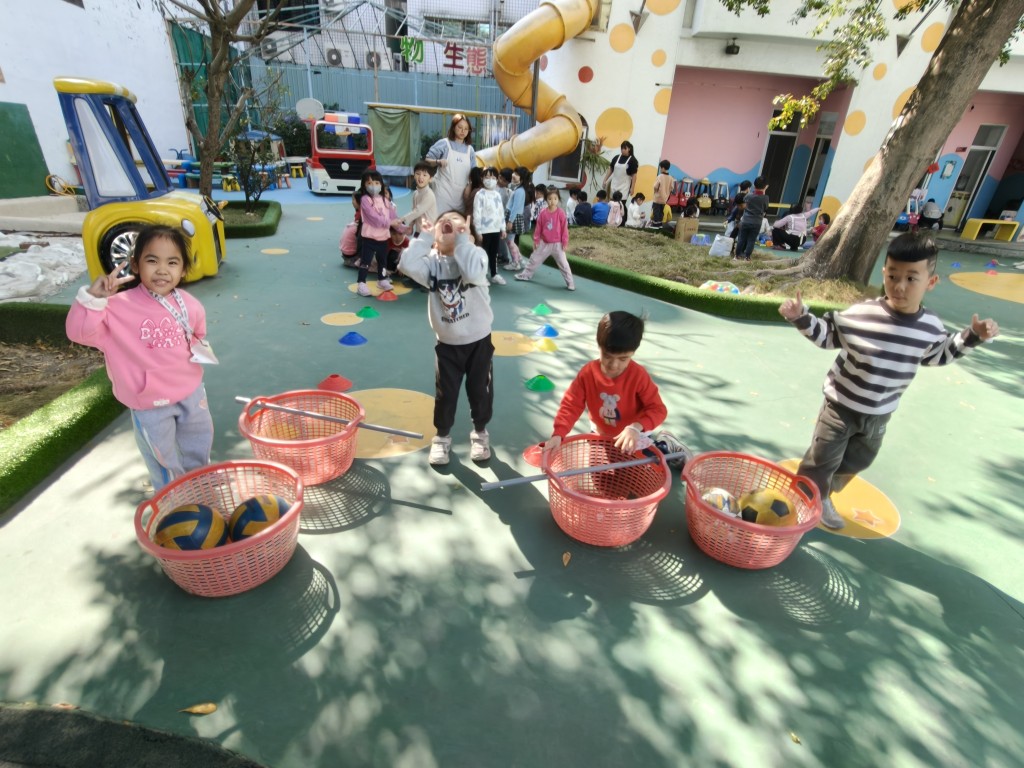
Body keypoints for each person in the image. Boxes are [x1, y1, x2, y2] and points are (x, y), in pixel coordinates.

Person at [778, 231, 1000, 529]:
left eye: (911, 278)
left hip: (880, 411)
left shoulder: (930, 327)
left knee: (860, 460)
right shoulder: (862, 314)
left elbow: (939, 354)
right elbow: (828, 335)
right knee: (823, 459)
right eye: (893, 275)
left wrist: (973, 336)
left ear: (930, 282)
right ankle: (805, 501)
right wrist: (801, 317)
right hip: (840, 405)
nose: (899, 285)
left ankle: (823, 491)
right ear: (884, 273)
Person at [65, 224, 215, 492]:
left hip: (191, 393)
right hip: (149, 402)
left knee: (199, 444)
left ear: (183, 269)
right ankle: (171, 499)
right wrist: (93, 299)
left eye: (172, 262)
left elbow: (197, 335)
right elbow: (79, 333)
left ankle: (202, 488)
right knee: (162, 458)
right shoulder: (116, 307)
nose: (162, 270)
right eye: (152, 260)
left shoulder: (191, 305)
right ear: (135, 265)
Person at [398, 211, 495, 466]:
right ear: (435, 239)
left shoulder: (477, 255)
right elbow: (406, 264)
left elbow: (472, 273)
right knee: (446, 394)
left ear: (469, 234)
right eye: (443, 222)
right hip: (448, 344)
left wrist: (464, 241)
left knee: (480, 391)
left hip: (478, 341)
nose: (449, 222)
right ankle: (441, 437)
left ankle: (480, 433)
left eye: (457, 220)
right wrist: (424, 236)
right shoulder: (432, 264)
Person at [541, 311, 691, 467]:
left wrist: (635, 428)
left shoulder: (638, 375)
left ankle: (664, 445)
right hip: (601, 432)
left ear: (633, 352)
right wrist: (558, 434)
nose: (614, 365)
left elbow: (658, 409)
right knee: (599, 474)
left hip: (635, 433)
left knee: (637, 472)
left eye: (623, 358)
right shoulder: (587, 373)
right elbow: (571, 404)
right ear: (599, 346)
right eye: (607, 356)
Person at [516, 187, 575, 290]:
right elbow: (538, 228)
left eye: (555, 198)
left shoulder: (561, 213)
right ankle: (525, 275)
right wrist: (536, 240)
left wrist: (565, 242)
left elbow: (564, 229)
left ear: (558, 199)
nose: (552, 201)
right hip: (544, 243)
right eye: (550, 199)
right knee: (534, 259)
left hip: (558, 245)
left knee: (564, 264)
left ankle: (570, 283)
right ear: (546, 199)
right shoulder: (543, 213)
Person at [354, 170, 397, 296]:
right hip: (369, 238)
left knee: (382, 261)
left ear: (381, 184)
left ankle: (382, 279)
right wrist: (391, 222)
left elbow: (393, 217)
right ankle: (361, 283)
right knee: (365, 262)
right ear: (364, 185)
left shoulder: (385, 201)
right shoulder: (365, 200)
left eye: (377, 183)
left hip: (383, 238)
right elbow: (374, 218)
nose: (373, 186)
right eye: (369, 183)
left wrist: (403, 228)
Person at [425, 113, 476, 215]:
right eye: (460, 127)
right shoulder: (444, 143)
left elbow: (474, 172)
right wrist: (438, 162)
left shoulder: (470, 150)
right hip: (443, 192)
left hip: (461, 195)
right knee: (439, 220)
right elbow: (427, 160)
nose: (463, 131)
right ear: (453, 127)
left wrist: (470, 186)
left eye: (466, 129)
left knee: (457, 221)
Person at [473, 166, 506, 284]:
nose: (490, 180)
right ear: (482, 179)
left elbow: (501, 212)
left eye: (492, 177)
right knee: (484, 253)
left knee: (494, 253)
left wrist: (503, 228)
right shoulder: (480, 194)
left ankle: (494, 274)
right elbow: (477, 213)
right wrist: (478, 231)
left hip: (495, 229)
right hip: (484, 230)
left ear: (497, 179)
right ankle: (481, 275)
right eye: (487, 177)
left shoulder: (497, 195)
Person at [734, 176, 769, 261]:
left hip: (746, 221)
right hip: (757, 222)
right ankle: (747, 257)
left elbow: (745, 199)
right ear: (765, 186)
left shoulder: (749, 196)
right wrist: (764, 191)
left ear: (754, 185)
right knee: (751, 240)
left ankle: (737, 256)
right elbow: (765, 207)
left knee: (741, 239)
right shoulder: (765, 198)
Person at [399, 161, 438, 234]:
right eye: (418, 174)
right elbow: (414, 211)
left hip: (429, 233)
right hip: (419, 230)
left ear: (430, 179)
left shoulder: (429, 194)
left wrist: (402, 220)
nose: (420, 177)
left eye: (424, 175)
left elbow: (418, 211)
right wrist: (411, 225)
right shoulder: (415, 193)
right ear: (414, 175)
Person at [505, 166, 533, 261]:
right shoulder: (519, 189)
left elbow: (515, 208)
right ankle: (519, 260)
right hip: (513, 217)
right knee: (511, 241)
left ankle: (515, 262)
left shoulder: (520, 191)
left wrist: (510, 221)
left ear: (522, 178)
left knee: (510, 242)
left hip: (513, 218)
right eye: (514, 172)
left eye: (517, 174)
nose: (513, 175)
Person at [651, 160, 672, 227]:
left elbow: (655, 186)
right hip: (665, 198)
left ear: (662, 168)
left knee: (656, 211)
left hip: (658, 198)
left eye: (660, 168)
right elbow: (671, 188)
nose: (660, 169)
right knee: (661, 211)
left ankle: (655, 225)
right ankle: (660, 224)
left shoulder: (660, 176)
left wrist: (655, 192)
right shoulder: (670, 178)